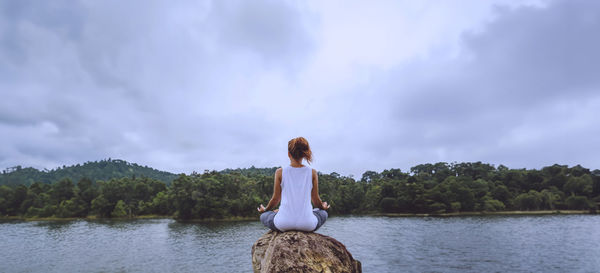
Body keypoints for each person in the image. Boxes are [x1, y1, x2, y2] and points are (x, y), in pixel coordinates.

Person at [257, 137, 330, 232]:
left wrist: (265, 210)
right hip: (307, 225)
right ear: (304, 154)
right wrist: (323, 207)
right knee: (323, 213)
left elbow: (276, 199)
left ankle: (280, 212)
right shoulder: (312, 172)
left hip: (283, 223)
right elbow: (315, 200)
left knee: (264, 216)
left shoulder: (280, 172)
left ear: (288, 154)